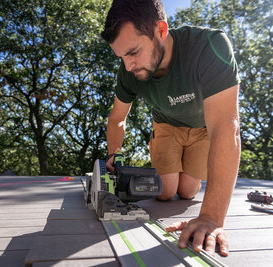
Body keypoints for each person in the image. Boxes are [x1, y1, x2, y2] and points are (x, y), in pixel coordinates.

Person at [101, 0, 240, 257]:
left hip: (202, 130)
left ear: (161, 31)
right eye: (120, 57)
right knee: (165, 192)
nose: (128, 65)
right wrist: (114, 155)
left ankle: (187, 177)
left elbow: (225, 126)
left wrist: (211, 216)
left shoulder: (209, 46)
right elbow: (117, 118)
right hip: (165, 126)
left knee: (187, 192)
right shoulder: (127, 70)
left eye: (133, 52)